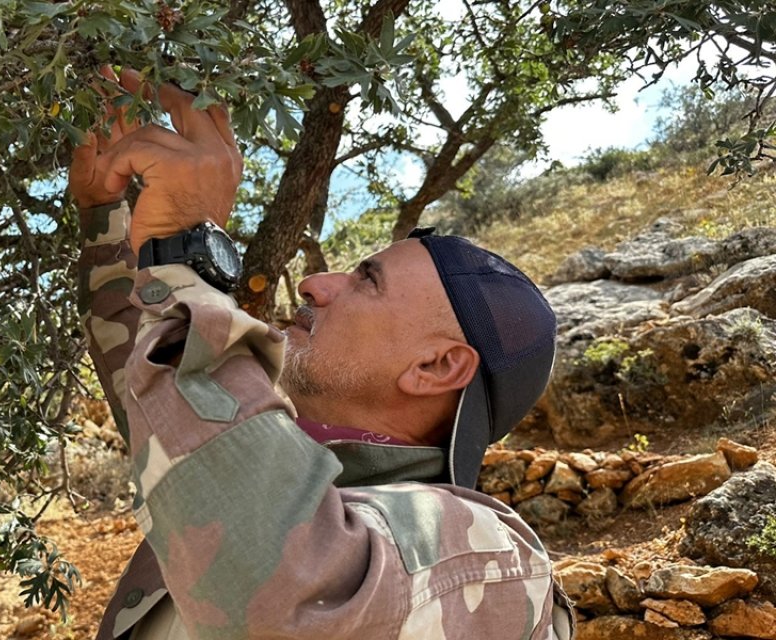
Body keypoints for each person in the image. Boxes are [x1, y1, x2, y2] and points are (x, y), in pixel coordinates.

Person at [69, 67, 575, 639]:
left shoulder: (496, 559)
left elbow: (287, 594)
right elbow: (153, 381)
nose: (315, 284)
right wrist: (100, 211)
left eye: (368, 282)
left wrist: (185, 250)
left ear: (435, 366)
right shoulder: (265, 454)